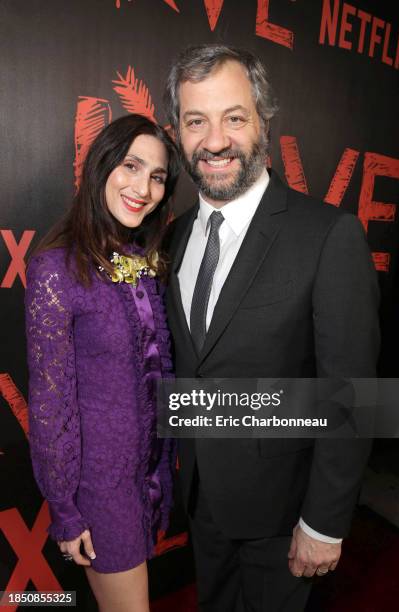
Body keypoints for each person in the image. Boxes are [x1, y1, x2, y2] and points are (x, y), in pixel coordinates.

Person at [163, 44, 380, 611]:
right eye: (196, 121)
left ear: (263, 119)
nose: (214, 141)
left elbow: (354, 394)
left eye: (233, 117)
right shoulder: (173, 236)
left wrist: (325, 523)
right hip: (203, 504)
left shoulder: (329, 235)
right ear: (177, 132)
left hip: (287, 522)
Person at [25, 114, 179, 612]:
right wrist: (65, 510)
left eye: (157, 176)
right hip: (101, 487)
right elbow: (51, 406)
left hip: (146, 477)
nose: (144, 188)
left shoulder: (142, 258)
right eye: (131, 166)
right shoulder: (57, 269)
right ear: (101, 166)